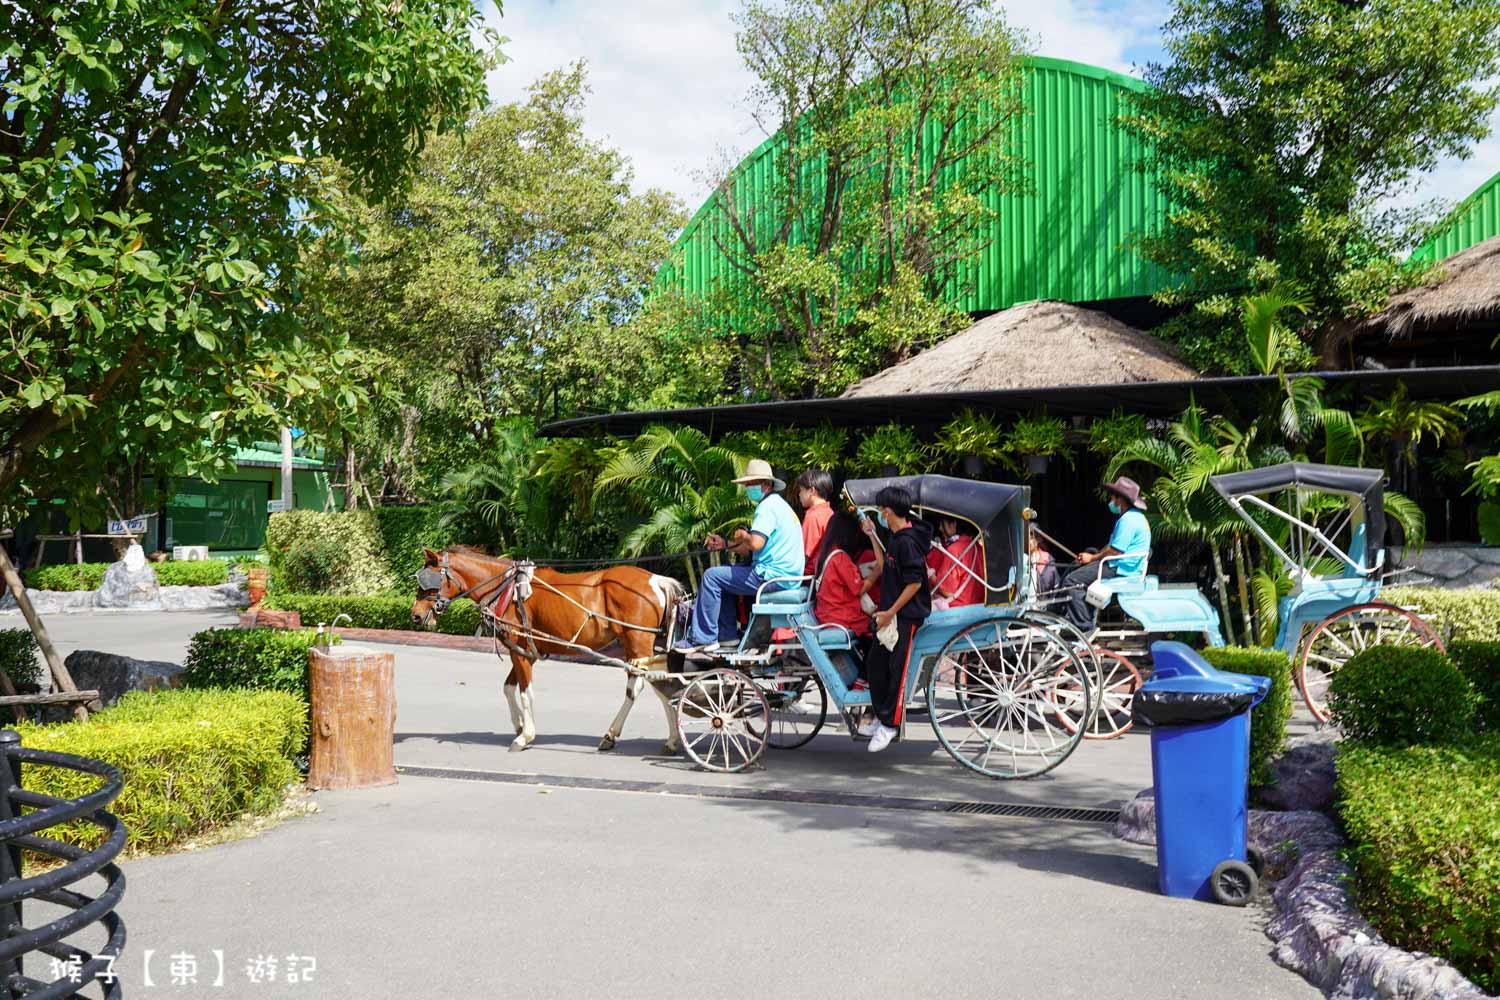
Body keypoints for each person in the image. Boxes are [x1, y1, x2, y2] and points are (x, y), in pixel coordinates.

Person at [676, 459, 804, 651]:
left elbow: (755, 543)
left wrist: (743, 535)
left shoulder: (767, 508)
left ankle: (703, 638)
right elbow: (755, 549)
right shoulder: (779, 505)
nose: (747, 488)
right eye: (747, 484)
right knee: (724, 575)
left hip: (772, 577)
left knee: (712, 577)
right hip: (783, 575)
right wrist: (725, 544)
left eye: (751, 484)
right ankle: (727, 636)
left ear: (766, 485)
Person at [857, 485, 933, 753]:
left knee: (896, 669)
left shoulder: (908, 542)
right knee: (876, 663)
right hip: (891, 614)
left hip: (905, 616)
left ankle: (889, 724)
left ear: (888, 511)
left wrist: (890, 613)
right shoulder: (896, 538)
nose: (879, 514)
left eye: (880, 511)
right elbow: (886, 563)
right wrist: (872, 536)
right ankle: (879, 716)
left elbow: (914, 583)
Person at [1062, 476, 1151, 631]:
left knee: (1072, 581)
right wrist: (1090, 557)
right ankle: (1080, 616)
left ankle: (1084, 627)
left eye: (1113, 496)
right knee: (1077, 567)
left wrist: (1092, 558)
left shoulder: (1128, 520)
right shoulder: (1132, 517)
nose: (1111, 499)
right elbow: (1111, 546)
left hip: (1120, 568)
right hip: (1119, 564)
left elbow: (1115, 551)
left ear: (1120, 499)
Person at [812, 511, 876, 643]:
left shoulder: (824, 555)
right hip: (840, 617)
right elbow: (859, 589)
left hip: (827, 614)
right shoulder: (840, 558)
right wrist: (876, 572)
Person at [925, 516, 984, 609]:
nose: (940, 528)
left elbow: (946, 591)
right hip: (978, 607)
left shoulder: (954, 550)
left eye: (942, 523)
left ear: (954, 524)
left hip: (957, 609)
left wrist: (928, 572)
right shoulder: (978, 548)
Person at [795, 469, 836, 576]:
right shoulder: (829, 512)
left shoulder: (813, 516)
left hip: (808, 577)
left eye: (801, 490)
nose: (799, 494)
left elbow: (803, 556)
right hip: (823, 574)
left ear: (812, 491)